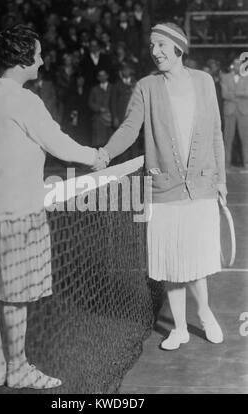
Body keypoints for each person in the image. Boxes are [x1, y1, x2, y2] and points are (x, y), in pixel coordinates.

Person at [0, 24, 99, 389]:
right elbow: (60, 145)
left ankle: (0, 366)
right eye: (37, 55)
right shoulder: (25, 101)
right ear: (23, 59)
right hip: (20, 212)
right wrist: (96, 157)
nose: (41, 61)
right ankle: (19, 368)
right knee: (17, 297)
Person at [95, 22, 227, 350]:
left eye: (161, 46)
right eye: (152, 46)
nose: (155, 52)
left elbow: (216, 135)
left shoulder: (204, 82)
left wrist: (222, 179)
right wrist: (106, 153)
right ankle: (180, 328)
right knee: (171, 261)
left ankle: (206, 314)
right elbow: (129, 128)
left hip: (202, 185)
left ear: (178, 48)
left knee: (195, 260)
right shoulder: (145, 87)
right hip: (163, 189)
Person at [220, 57, 248, 171]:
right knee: (228, 138)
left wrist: (234, 93)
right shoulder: (225, 77)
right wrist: (239, 95)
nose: (237, 67)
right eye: (235, 64)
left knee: (245, 138)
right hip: (230, 111)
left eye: (239, 65)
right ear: (232, 65)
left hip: (243, 111)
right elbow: (224, 94)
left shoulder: (246, 78)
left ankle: (246, 164)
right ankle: (226, 165)